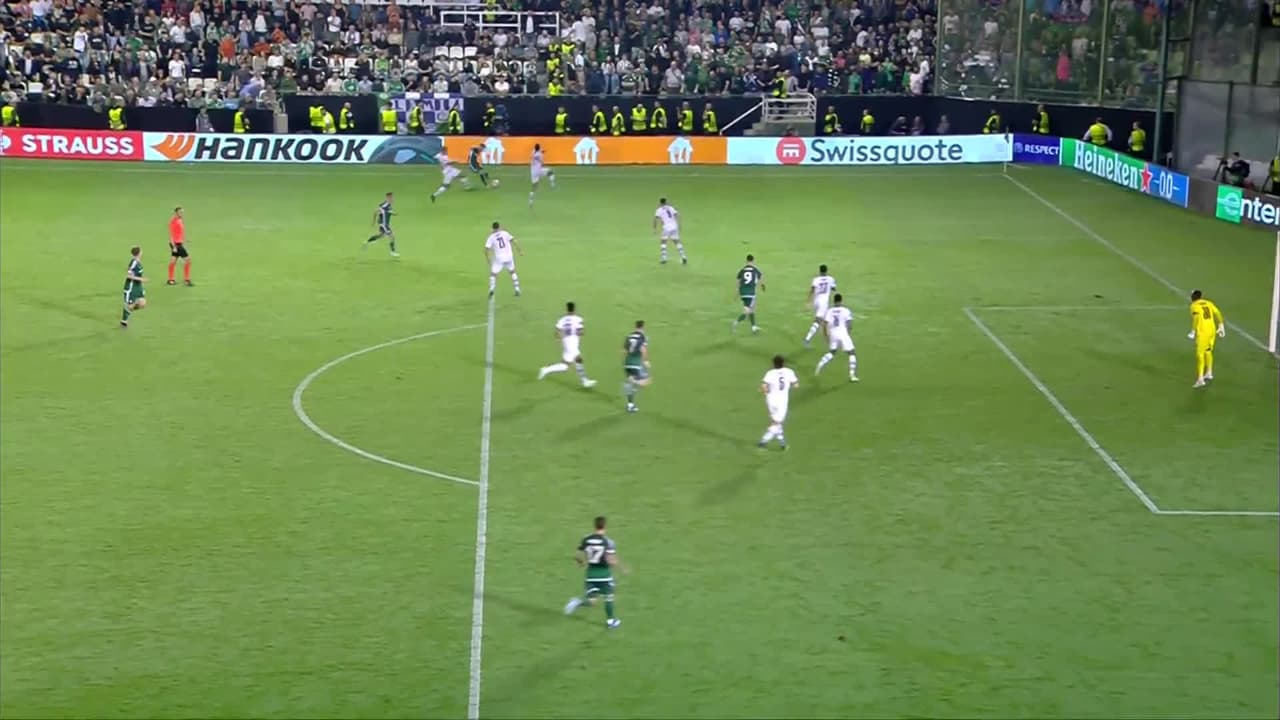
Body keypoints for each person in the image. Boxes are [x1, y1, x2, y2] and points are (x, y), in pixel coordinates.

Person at [563, 515, 623, 629]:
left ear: (595, 526)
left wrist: (581, 562)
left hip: (590, 575)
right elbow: (611, 560)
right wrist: (619, 566)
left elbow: (577, 555)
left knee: (592, 602)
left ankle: (577, 602)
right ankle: (611, 621)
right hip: (604, 575)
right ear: (605, 526)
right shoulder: (608, 542)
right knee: (609, 597)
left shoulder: (586, 539)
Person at [538, 301, 597, 387]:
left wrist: (559, 339)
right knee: (566, 365)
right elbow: (580, 332)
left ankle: (585, 381)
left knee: (578, 360)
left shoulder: (562, 319)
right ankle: (546, 370)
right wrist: (580, 334)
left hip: (566, 341)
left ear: (567, 309)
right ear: (574, 309)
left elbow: (557, 331)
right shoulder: (578, 319)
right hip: (573, 342)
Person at [759, 354, 799, 450]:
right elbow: (796, 385)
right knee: (777, 422)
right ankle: (763, 441)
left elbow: (764, 386)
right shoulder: (789, 371)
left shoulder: (770, 373)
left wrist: (765, 392)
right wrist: (788, 386)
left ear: (774, 363)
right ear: (783, 363)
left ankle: (782, 444)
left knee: (776, 422)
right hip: (782, 402)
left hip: (770, 400)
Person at [815, 293, 857, 382]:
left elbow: (825, 324)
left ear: (834, 301)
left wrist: (826, 335)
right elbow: (849, 324)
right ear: (841, 301)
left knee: (832, 352)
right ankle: (852, 375)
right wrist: (848, 334)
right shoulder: (846, 310)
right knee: (852, 353)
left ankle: (820, 364)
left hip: (833, 333)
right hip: (843, 333)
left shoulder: (829, 311)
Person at [1188, 290, 1225, 388]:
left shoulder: (1194, 306)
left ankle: (1200, 379)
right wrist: (1221, 325)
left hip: (1203, 332)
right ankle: (1209, 372)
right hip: (1212, 330)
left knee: (1200, 354)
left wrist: (1193, 331)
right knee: (1208, 351)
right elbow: (1217, 312)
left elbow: (1196, 318)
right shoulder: (1208, 303)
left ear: (1192, 297)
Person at [484, 221, 522, 297]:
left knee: (493, 274)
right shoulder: (505, 233)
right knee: (512, 271)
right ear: (499, 227)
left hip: (499, 258)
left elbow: (486, 249)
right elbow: (514, 241)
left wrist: (488, 260)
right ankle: (517, 289)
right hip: (509, 256)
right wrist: (519, 250)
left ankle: (491, 289)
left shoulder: (491, 237)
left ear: (492, 228)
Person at [803, 264, 837, 346]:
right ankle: (807, 339)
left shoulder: (816, 279)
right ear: (826, 270)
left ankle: (827, 338)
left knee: (824, 320)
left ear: (820, 271)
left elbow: (812, 290)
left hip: (816, 301)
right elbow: (834, 288)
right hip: (823, 303)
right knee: (818, 321)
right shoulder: (830, 279)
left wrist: (808, 302)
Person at [621, 320, 650, 413]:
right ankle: (633, 382)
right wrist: (645, 361)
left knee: (631, 384)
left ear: (635, 326)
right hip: (636, 364)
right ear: (643, 327)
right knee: (646, 381)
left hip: (627, 363)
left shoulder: (629, 336)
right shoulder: (642, 337)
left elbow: (624, 351)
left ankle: (630, 405)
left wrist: (626, 361)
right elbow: (643, 349)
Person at [732, 254, 764, 334]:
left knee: (752, 309)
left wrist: (737, 293)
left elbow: (738, 282)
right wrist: (762, 286)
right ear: (753, 261)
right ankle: (736, 323)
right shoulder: (755, 269)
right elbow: (760, 277)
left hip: (743, 293)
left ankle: (754, 327)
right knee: (747, 311)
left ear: (746, 260)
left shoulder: (742, 270)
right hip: (750, 293)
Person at [363, 192, 398, 257]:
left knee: (381, 235)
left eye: (393, 197)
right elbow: (376, 211)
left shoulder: (389, 205)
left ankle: (367, 242)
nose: (393, 199)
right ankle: (392, 252)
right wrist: (373, 221)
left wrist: (393, 213)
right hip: (384, 224)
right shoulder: (385, 205)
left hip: (384, 223)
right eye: (391, 197)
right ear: (388, 198)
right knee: (392, 236)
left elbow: (386, 212)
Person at [653, 197, 686, 265]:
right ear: (666, 202)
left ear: (660, 202)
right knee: (677, 241)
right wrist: (679, 225)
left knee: (663, 242)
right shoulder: (671, 207)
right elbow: (677, 215)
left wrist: (655, 228)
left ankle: (664, 258)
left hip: (667, 227)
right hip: (674, 226)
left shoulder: (659, 210)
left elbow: (655, 219)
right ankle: (683, 256)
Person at [120, 246, 147, 328]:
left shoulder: (138, 262)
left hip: (138, 286)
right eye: (141, 251)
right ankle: (124, 319)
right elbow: (129, 276)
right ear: (138, 253)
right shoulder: (134, 262)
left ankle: (127, 310)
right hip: (131, 287)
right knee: (131, 305)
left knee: (142, 303)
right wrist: (141, 279)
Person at [167, 206, 193, 286]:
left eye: (182, 212)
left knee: (173, 261)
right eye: (180, 212)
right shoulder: (173, 221)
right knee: (188, 260)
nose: (182, 213)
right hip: (176, 244)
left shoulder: (180, 220)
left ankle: (170, 280)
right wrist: (174, 247)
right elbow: (171, 235)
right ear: (176, 212)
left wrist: (185, 239)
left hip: (178, 243)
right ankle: (187, 280)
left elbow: (179, 232)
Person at [528, 143, 556, 207]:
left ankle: (531, 199)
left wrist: (542, 151)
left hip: (533, 172)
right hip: (539, 171)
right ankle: (552, 184)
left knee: (534, 186)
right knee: (551, 172)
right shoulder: (539, 155)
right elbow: (542, 162)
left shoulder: (533, 152)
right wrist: (542, 158)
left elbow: (538, 151)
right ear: (538, 148)